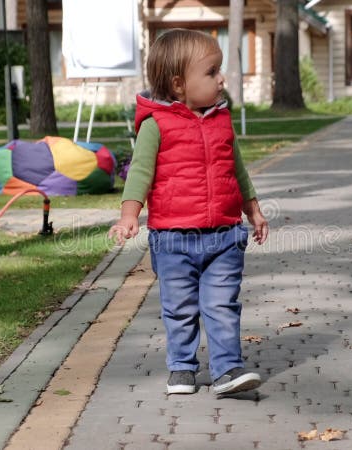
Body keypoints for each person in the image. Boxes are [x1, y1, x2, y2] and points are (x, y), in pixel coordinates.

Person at [108, 28, 269, 396]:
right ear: (179, 84)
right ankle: (181, 368)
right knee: (180, 308)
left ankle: (227, 370)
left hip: (224, 236)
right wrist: (129, 214)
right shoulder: (155, 125)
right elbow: (141, 172)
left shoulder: (221, 120)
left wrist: (253, 210)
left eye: (219, 70)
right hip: (173, 239)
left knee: (222, 305)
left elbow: (237, 170)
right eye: (211, 72)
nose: (221, 78)